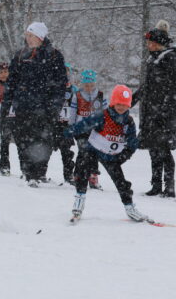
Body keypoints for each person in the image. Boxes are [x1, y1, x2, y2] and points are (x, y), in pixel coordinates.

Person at [64, 85, 148, 223]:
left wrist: (124, 156)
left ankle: (130, 207)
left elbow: (132, 142)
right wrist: (68, 132)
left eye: (124, 105)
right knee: (82, 172)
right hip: (92, 149)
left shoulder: (128, 122)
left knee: (121, 182)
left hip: (111, 156)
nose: (121, 107)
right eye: (118, 104)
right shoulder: (102, 115)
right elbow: (84, 124)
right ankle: (79, 201)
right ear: (113, 102)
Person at [1, 22, 66, 187]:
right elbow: (12, 81)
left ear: (40, 37)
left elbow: (60, 84)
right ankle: (28, 172)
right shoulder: (20, 54)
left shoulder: (54, 55)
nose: (27, 39)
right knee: (22, 139)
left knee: (43, 140)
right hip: (23, 105)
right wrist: (7, 103)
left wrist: (55, 106)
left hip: (45, 106)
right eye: (27, 35)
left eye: (30, 35)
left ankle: (39, 172)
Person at [132, 20, 176, 198]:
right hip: (150, 111)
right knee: (153, 149)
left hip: (163, 113)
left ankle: (170, 186)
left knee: (163, 149)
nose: (148, 46)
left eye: (151, 43)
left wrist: (165, 111)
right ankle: (156, 184)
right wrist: (132, 100)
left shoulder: (170, 59)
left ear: (159, 44)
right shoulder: (153, 59)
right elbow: (147, 87)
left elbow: (173, 88)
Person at [69, 69, 106, 189]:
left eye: (91, 85)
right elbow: (73, 112)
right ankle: (78, 175)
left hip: (95, 130)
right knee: (83, 152)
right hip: (81, 130)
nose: (89, 88)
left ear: (95, 84)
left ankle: (93, 176)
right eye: (86, 85)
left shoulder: (100, 96)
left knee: (94, 153)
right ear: (82, 84)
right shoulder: (77, 95)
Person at [52, 62, 77, 184]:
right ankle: (39, 173)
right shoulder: (52, 87)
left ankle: (68, 175)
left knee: (66, 151)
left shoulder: (74, 90)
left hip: (67, 125)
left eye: (66, 71)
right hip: (53, 124)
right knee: (45, 149)